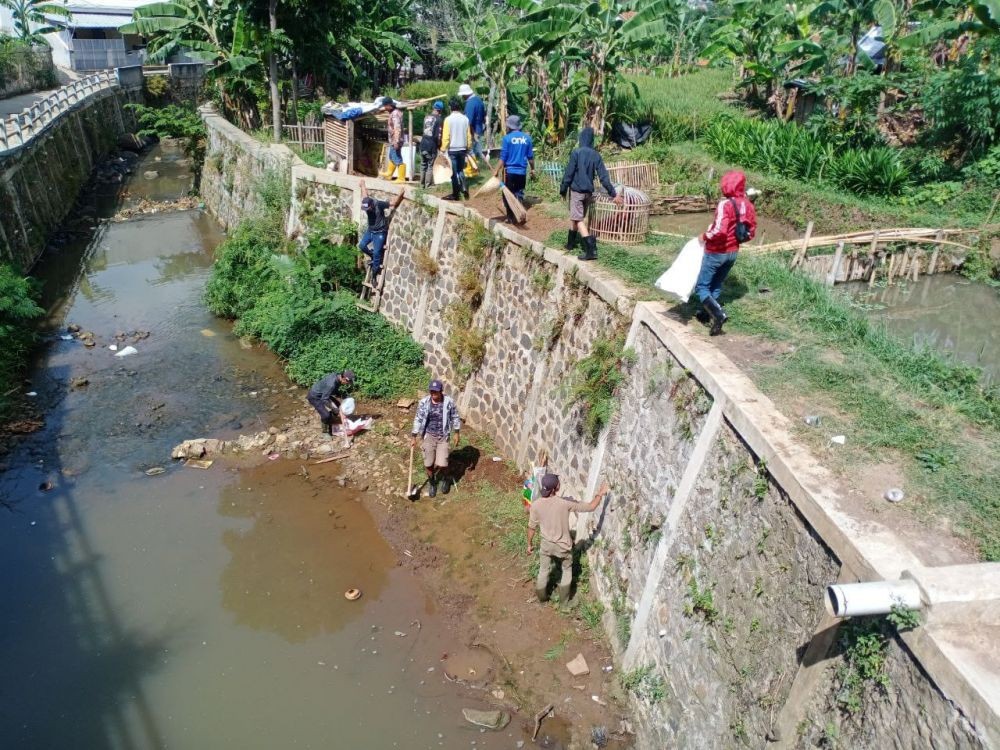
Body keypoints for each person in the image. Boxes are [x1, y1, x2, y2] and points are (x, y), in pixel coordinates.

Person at [527, 475, 610, 603]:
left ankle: (542, 598)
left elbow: (531, 527)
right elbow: (591, 507)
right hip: (563, 547)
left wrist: (529, 544)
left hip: (546, 545)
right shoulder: (565, 503)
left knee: (543, 570)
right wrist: (600, 493)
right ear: (556, 488)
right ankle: (564, 601)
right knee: (566, 569)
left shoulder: (536, 505)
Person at [696, 170, 757, 336]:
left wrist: (705, 236)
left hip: (717, 251)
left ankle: (718, 315)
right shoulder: (747, 204)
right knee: (715, 285)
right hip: (733, 252)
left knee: (702, 287)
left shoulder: (726, 204)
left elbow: (719, 230)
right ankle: (705, 314)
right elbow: (751, 231)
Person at [559, 127, 623, 261]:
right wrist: (613, 194)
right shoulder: (596, 155)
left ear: (581, 138)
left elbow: (569, 173)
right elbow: (604, 177)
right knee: (577, 216)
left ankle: (591, 249)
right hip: (588, 192)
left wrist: (563, 189)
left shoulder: (576, 152)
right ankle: (570, 244)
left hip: (577, 191)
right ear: (591, 140)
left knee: (578, 219)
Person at [410, 379, 461, 498]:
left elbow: (455, 416)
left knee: (442, 463)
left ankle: (446, 479)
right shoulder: (424, 402)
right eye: (431, 391)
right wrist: (414, 436)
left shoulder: (448, 402)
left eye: (436, 391)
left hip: (443, 436)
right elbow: (418, 419)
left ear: (441, 391)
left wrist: (456, 433)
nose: (433, 393)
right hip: (429, 436)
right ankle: (432, 483)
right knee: (428, 463)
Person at [358, 179, 405, 281]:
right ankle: (373, 257)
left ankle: (374, 276)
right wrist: (362, 184)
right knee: (361, 245)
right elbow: (364, 193)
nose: (366, 211)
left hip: (380, 232)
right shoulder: (366, 201)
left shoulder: (378, 204)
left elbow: (392, 203)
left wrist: (400, 194)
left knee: (377, 253)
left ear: (371, 205)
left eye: (368, 209)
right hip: (370, 230)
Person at [494, 115, 535, 224]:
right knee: (519, 193)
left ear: (509, 126)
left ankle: (511, 217)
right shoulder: (527, 138)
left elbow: (503, 158)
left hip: (509, 172)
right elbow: (530, 157)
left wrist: (496, 170)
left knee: (507, 193)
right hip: (522, 172)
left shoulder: (507, 139)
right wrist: (533, 169)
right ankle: (519, 213)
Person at [441, 97, 473, 201]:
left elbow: (446, 136)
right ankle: (464, 189)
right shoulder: (465, 119)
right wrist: (468, 147)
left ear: (450, 107)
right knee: (461, 170)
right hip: (463, 148)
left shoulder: (448, 119)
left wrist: (443, 148)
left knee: (453, 173)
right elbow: (468, 135)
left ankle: (455, 194)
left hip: (453, 149)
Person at [307, 370, 355, 436]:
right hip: (315, 397)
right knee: (326, 415)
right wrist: (334, 408)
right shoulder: (331, 384)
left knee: (339, 406)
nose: (347, 383)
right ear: (343, 378)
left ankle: (331, 421)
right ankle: (325, 432)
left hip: (324, 394)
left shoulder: (337, 377)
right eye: (347, 382)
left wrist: (343, 395)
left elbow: (333, 391)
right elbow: (324, 399)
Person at [459, 83, 488, 168]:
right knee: (476, 151)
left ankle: (472, 169)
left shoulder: (470, 103)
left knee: (470, 151)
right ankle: (478, 167)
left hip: (473, 131)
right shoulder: (479, 100)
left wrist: (472, 133)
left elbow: (468, 121)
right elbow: (484, 116)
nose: (462, 97)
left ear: (465, 94)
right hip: (479, 129)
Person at [380, 97, 406, 183]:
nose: (385, 108)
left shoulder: (395, 114)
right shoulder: (393, 112)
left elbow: (397, 128)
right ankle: (389, 173)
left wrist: (396, 141)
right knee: (392, 156)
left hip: (396, 140)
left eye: (385, 106)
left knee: (397, 158)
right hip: (393, 139)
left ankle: (401, 178)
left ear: (389, 105)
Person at [419, 101, 445, 188]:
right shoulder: (439, 119)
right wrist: (439, 145)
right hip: (431, 145)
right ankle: (428, 184)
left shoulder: (426, 117)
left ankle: (421, 184)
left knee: (423, 165)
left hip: (423, 144)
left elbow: (424, 130)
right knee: (430, 165)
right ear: (440, 110)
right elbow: (439, 135)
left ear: (434, 108)